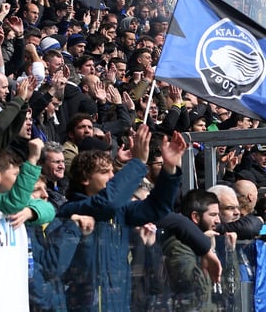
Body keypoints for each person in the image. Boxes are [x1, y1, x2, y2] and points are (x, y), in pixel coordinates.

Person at [58, 125, 187, 310]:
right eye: (104, 172)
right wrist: (139, 163)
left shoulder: (120, 211)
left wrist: (169, 170)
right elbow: (107, 203)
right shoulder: (72, 210)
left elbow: (157, 208)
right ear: (85, 179)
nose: (112, 177)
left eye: (112, 171)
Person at [162, 188, 220, 312]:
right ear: (195, 217)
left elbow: (229, 290)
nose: (218, 221)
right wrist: (205, 249)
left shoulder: (213, 243)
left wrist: (230, 252)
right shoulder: (178, 246)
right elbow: (197, 289)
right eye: (213, 215)